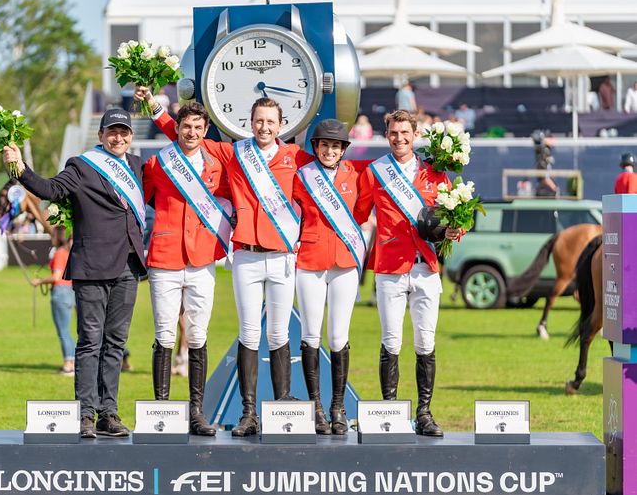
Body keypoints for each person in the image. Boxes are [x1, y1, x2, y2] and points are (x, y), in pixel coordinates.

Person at [134, 87, 312, 437]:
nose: (264, 127)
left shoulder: (295, 156)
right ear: (250, 123)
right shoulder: (234, 154)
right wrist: (154, 106)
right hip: (244, 253)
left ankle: (281, 408)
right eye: (259, 121)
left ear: (281, 125)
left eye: (270, 122)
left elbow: (332, 171)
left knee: (277, 333)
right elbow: (184, 135)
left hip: (280, 256)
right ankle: (244, 413)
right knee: (245, 332)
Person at [3, 108, 146, 439]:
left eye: (124, 132)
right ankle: (85, 413)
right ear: (100, 135)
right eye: (112, 131)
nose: (118, 137)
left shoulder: (137, 167)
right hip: (93, 265)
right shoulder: (81, 166)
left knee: (115, 342)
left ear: (131, 135)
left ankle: (108, 413)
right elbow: (49, 190)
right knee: (90, 342)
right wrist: (18, 167)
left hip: (129, 266)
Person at [354, 109, 462, 438]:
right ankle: (390, 411)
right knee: (391, 341)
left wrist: (454, 231)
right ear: (386, 136)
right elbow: (358, 213)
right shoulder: (375, 173)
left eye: (404, 133)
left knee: (425, 342)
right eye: (393, 134)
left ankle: (424, 413)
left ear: (415, 135)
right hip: (390, 268)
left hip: (426, 267)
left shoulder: (436, 174)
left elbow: (453, 220)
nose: (399, 139)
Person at [142, 101, 232, 436]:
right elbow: (145, 200)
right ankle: (162, 412)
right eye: (186, 127)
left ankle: (197, 413)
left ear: (205, 130)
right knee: (164, 334)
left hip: (202, 259)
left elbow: (224, 202)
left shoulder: (217, 163)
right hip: (165, 255)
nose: (191, 133)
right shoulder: (156, 163)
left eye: (197, 127)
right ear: (176, 128)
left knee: (197, 335)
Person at [293, 119, 369, 435]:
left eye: (335, 145)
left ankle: (338, 406)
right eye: (324, 144)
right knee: (311, 334)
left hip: (343, 263)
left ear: (343, 150)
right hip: (309, 260)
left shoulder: (356, 176)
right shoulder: (302, 177)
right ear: (315, 147)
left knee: (338, 336)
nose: (329, 150)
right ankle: (317, 407)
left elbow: (363, 210)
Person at [30, 226, 76, 375]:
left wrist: (40, 281)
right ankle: (73, 361)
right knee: (71, 330)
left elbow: (56, 277)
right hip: (71, 291)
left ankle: (69, 363)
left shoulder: (59, 253)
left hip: (60, 293)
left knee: (63, 331)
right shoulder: (69, 253)